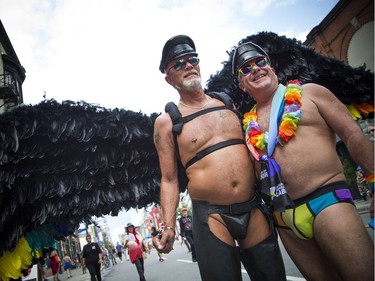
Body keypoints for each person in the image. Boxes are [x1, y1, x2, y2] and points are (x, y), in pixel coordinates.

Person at [232, 41, 374, 281]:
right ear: (242, 85)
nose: (255, 69)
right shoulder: (248, 125)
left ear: (272, 69)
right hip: (284, 220)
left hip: (326, 200)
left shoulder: (311, 93)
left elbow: (352, 135)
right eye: (246, 69)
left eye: (260, 62)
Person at [152, 34, 286, 281]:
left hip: (253, 206)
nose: (188, 65)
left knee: (273, 276)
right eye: (179, 64)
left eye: (192, 59)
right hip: (211, 216)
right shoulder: (166, 122)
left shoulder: (227, 103)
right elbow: (169, 179)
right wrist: (168, 227)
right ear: (169, 79)